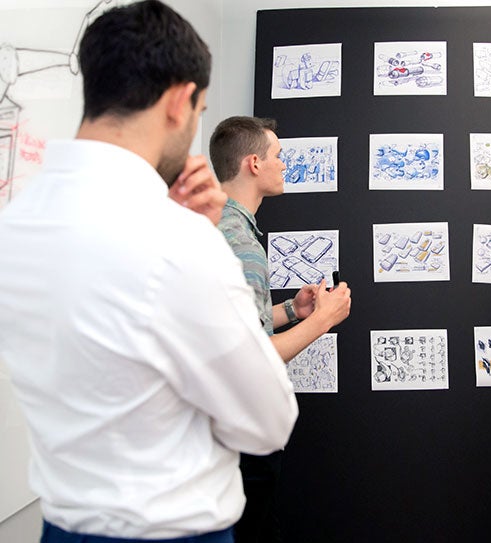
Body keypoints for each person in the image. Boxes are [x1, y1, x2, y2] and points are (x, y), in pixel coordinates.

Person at [0, 2, 299, 542]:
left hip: (61, 524)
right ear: (181, 100)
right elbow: (269, 421)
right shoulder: (179, 241)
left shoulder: (15, 225)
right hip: (176, 532)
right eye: (201, 109)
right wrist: (204, 246)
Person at [209, 115, 352, 543]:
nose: (285, 165)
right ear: (254, 164)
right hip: (241, 438)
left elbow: (232, 328)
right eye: (279, 156)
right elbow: (250, 358)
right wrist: (324, 319)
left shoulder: (220, 226)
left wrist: (293, 309)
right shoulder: (239, 241)